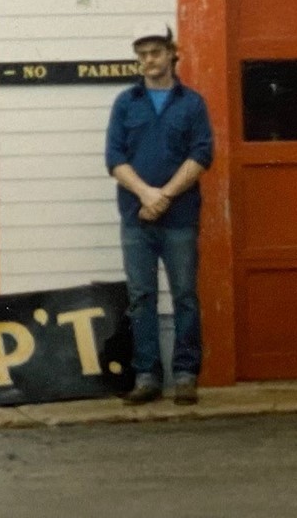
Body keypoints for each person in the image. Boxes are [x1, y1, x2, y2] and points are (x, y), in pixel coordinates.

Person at [105, 23, 213, 406]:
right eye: (142, 54)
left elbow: (202, 155)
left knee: (184, 295)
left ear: (171, 53)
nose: (148, 60)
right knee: (141, 297)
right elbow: (114, 159)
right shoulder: (125, 103)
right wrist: (146, 194)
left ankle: (185, 375)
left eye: (155, 52)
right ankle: (147, 376)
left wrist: (165, 195)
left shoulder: (192, 103)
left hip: (179, 217)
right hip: (137, 218)